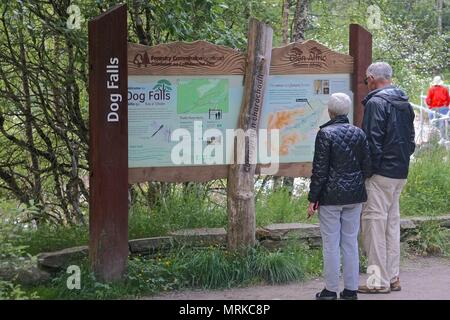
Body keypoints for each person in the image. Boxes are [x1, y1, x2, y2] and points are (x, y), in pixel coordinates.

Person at [307, 93, 371, 300]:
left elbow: (320, 171)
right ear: (347, 111)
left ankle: (330, 291)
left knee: (331, 244)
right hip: (355, 197)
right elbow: (367, 167)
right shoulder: (359, 133)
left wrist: (312, 199)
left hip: (330, 198)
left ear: (330, 111)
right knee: (350, 243)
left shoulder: (325, 134)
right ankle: (351, 290)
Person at [358, 62, 415, 294]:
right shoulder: (405, 104)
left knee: (373, 227)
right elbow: (411, 141)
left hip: (380, 174)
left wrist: (367, 172)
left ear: (372, 78)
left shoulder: (375, 103)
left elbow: (371, 142)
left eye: (365, 80)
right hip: (400, 172)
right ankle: (393, 277)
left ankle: (377, 282)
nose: (366, 84)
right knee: (391, 226)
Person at [426, 76, 449, 142]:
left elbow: (428, 100)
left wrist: (430, 106)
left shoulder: (431, 89)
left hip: (434, 108)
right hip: (443, 108)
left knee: (434, 122)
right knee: (443, 123)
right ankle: (444, 137)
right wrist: (446, 106)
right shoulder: (445, 89)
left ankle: (437, 137)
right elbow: (448, 99)